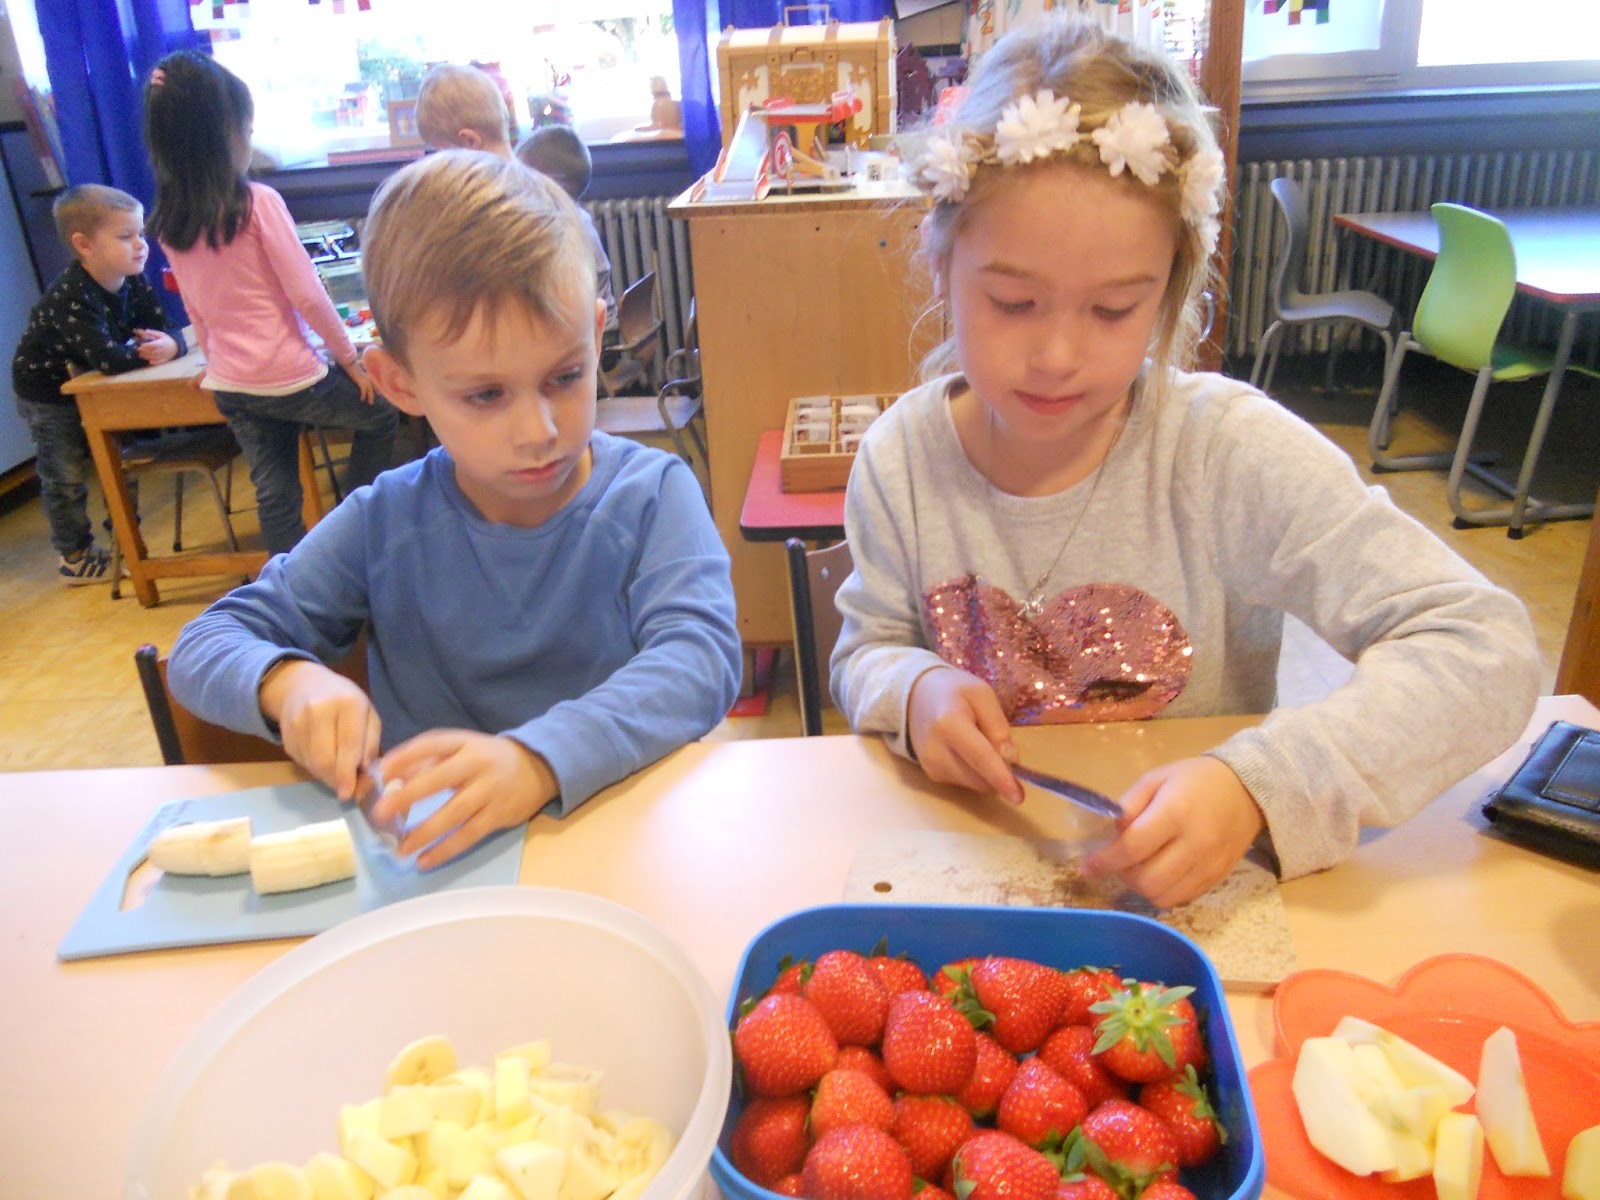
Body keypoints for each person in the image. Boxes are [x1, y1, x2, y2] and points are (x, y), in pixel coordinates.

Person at [831, 15, 1541, 909]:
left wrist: (1260, 784)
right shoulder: (900, 460)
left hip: (1193, 906)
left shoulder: (1224, 452)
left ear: (1170, 295)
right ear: (943, 270)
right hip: (972, 878)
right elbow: (868, 648)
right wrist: (913, 687)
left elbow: (1485, 646)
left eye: (1112, 311)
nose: (1056, 356)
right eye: (1012, 302)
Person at [166, 150, 741, 869]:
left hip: (622, 850)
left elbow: (701, 660)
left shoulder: (653, 494)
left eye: (565, 377)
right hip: (438, 865)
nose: (538, 430)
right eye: (485, 395)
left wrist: (539, 760)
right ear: (399, 383)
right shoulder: (384, 520)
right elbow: (205, 642)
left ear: (596, 337)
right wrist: (288, 682)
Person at [143, 50, 397, 556]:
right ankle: (352, 534)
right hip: (288, 376)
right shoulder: (257, 203)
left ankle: (289, 588)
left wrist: (214, 362)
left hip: (234, 383)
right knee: (384, 414)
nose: (251, 139)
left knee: (275, 493)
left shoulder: (169, 219)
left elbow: (197, 306)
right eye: (248, 129)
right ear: (224, 135)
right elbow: (306, 293)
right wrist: (349, 359)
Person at [11, 184, 186, 584]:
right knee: (65, 476)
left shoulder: (132, 279)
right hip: (48, 396)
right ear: (84, 245)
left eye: (140, 234)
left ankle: (126, 544)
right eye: (125, 236)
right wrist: (154, 349)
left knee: (119, 466)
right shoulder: (71, 297)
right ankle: (74, 555)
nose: (140, 245)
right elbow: (108, 359)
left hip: (96, 388)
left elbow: (164, 327)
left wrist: (172, 344)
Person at [515, 124, 618, 344]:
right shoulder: (579, 217)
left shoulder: (560, 231)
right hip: (602, 330)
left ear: (551, 184)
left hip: (596, 339)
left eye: (524, 179)